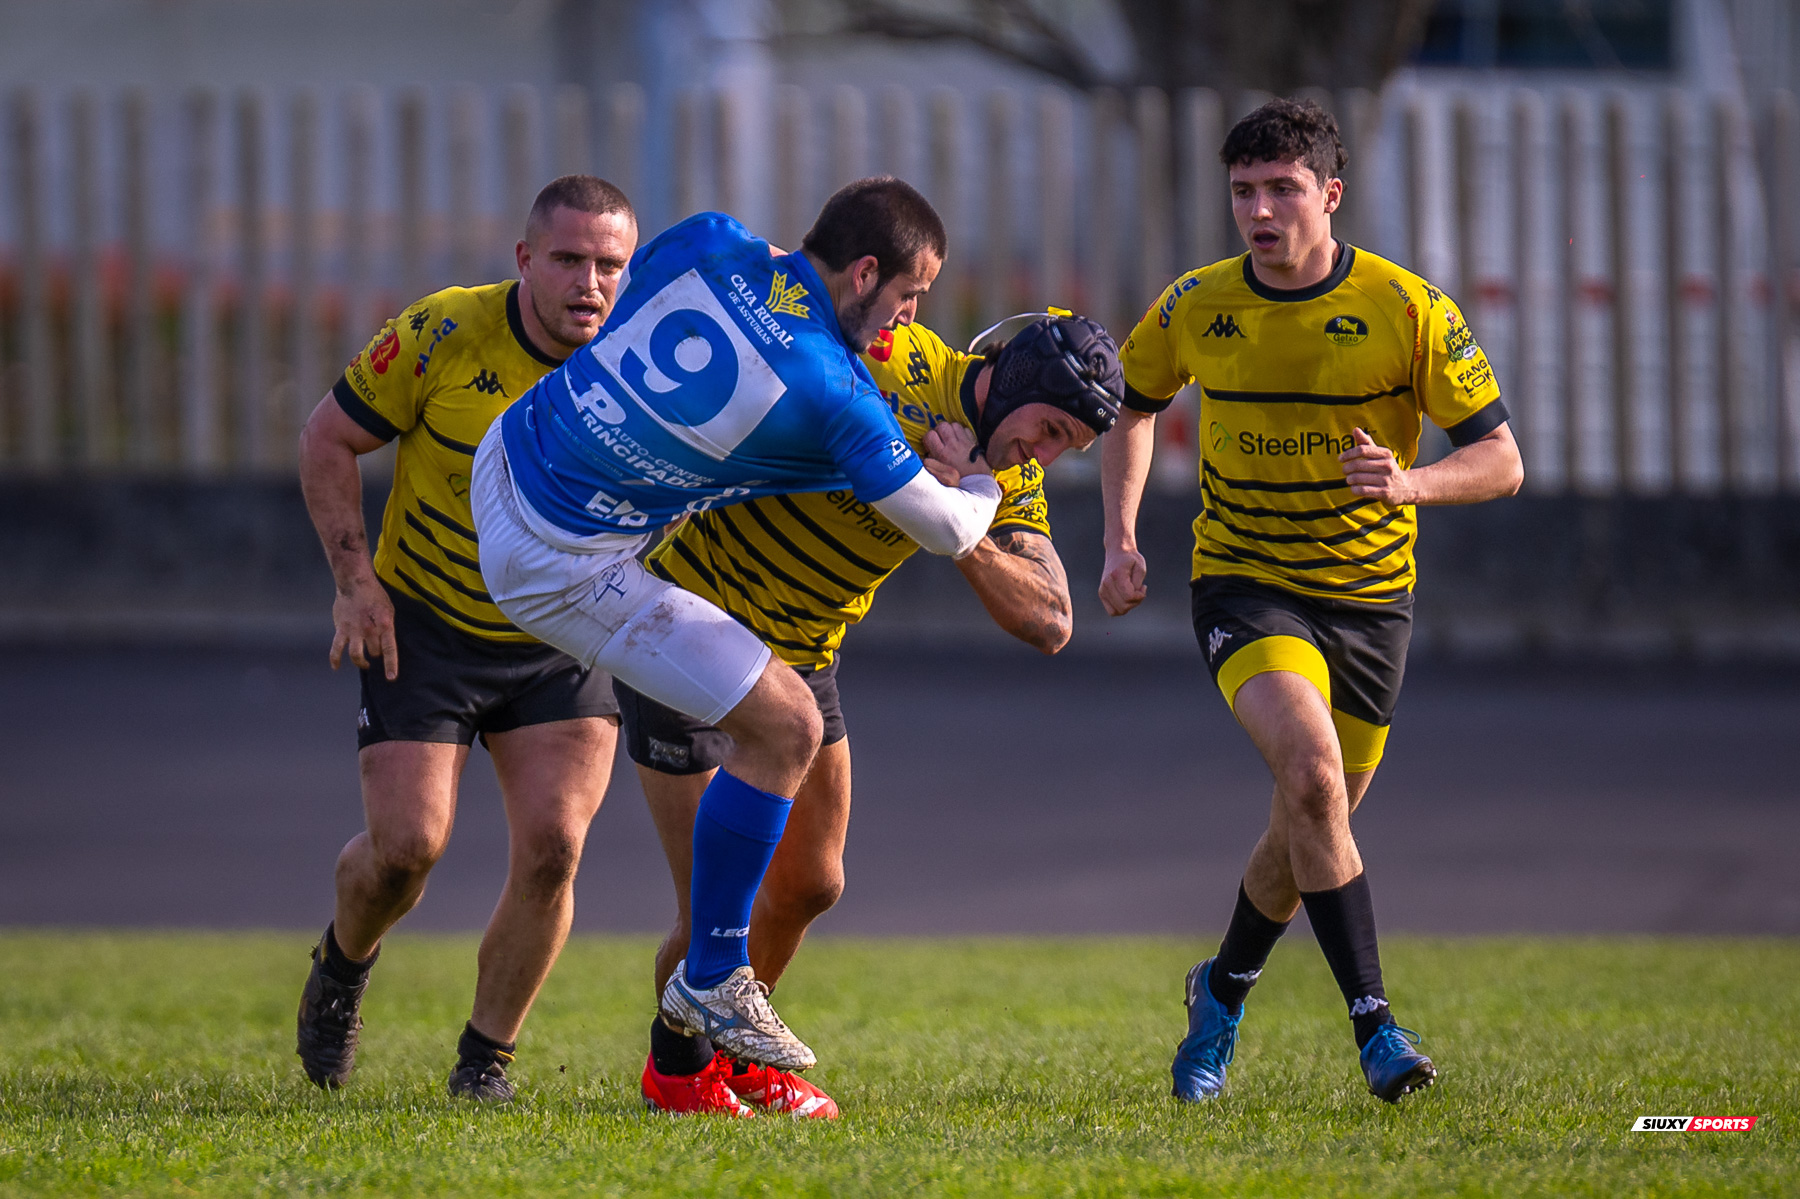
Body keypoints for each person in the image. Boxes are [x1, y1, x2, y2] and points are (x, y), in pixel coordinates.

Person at [469, 176, 1012, 1075]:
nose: (907, 322)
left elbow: (637, 302)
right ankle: (714, 970)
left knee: (778, 718)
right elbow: (950, 529)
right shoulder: (832, 387)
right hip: (557, 563)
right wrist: (986, 474)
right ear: (865, 272)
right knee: (790, 722)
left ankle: (710, 972)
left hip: (511, 449)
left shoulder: (716, 238)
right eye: (909, 298)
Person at [1098, 99, 1523, 1105]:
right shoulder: (1196, 304)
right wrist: (1118, 537)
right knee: (1314, 777)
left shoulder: (1410, 307)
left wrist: (1411, 483)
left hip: (1373, 600)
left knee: (1310, 817)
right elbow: (1133, 403)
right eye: (1243, 190)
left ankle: (1220, 991)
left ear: (1330, 194)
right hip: (1245, 582)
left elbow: (1502, 460)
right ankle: (1376, 1027)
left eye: (1282, 187)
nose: (1259, 208)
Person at [629, 311, 1121, 1117]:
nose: (1048, 452)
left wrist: (960, 518)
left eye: (1068, 442)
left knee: (814, 881)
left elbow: (1051, 619)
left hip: (802, 657)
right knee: (710, 913)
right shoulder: (892, 360)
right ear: (1020, 381)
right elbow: (778, 324)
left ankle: (729, 1056)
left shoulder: (1002, 476)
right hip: (687, 624)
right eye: (1053, 428)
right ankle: (678, 1076)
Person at [294, 175, 638, 1101]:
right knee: (406, 848)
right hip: (429, 628)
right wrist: (355, 584)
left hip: (563, 636)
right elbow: (326, 439)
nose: (590, 284)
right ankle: (343, 961)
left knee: (557, 845)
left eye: (610, 264)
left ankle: (485, 1060)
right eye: (568, 259)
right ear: (525, 260)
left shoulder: (648, 360)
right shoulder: (445, 330)